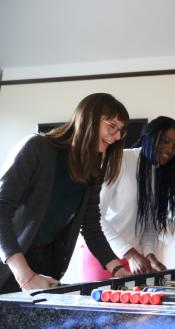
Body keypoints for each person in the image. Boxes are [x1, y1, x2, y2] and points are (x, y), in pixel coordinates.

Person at [0, 93, 132, 293]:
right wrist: (25, 275)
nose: (117, 137)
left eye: (120, 131)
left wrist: (117, 267)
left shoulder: (93, 168)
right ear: (88, 119)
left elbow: (90, 224)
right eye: (112, 126)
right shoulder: (36, 148)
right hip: (11, 262)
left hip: (45, 261)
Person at [82, 116, 175, 280]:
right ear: (150, 136)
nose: (170, 150)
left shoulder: (161, 174)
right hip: (102, 254)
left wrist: (150, 255)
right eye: (165, 141)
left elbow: (149, 224)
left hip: (136, 259)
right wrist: (130, 254)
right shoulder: (120, 160)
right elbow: (95, 216)